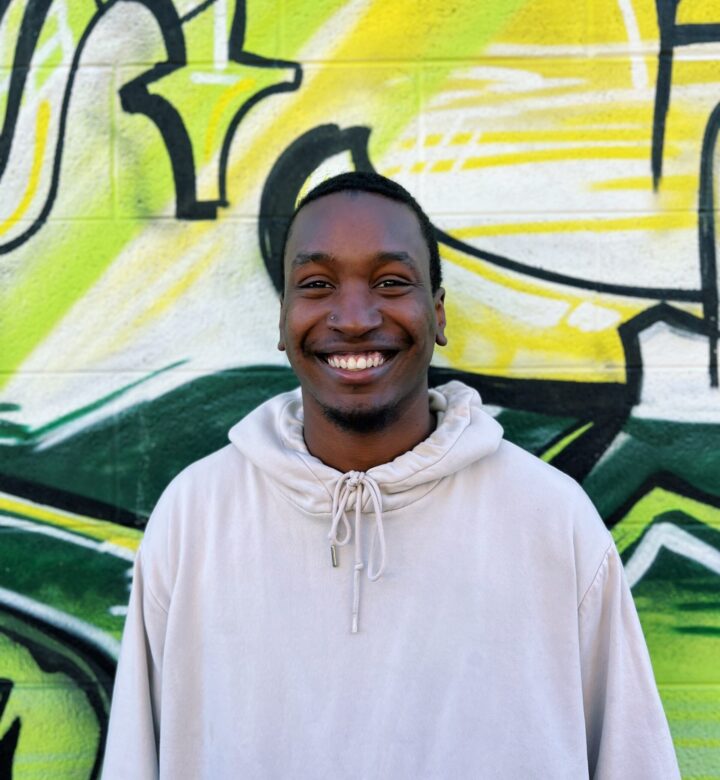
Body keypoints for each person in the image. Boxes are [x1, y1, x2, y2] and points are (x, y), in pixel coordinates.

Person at [102, 172, 680, 779]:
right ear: (282, 320)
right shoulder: (195, 517)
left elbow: (630, 759)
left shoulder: (550, 519)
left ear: (437, 313)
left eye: (391, 282)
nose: (353, 317)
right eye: (318, 284)